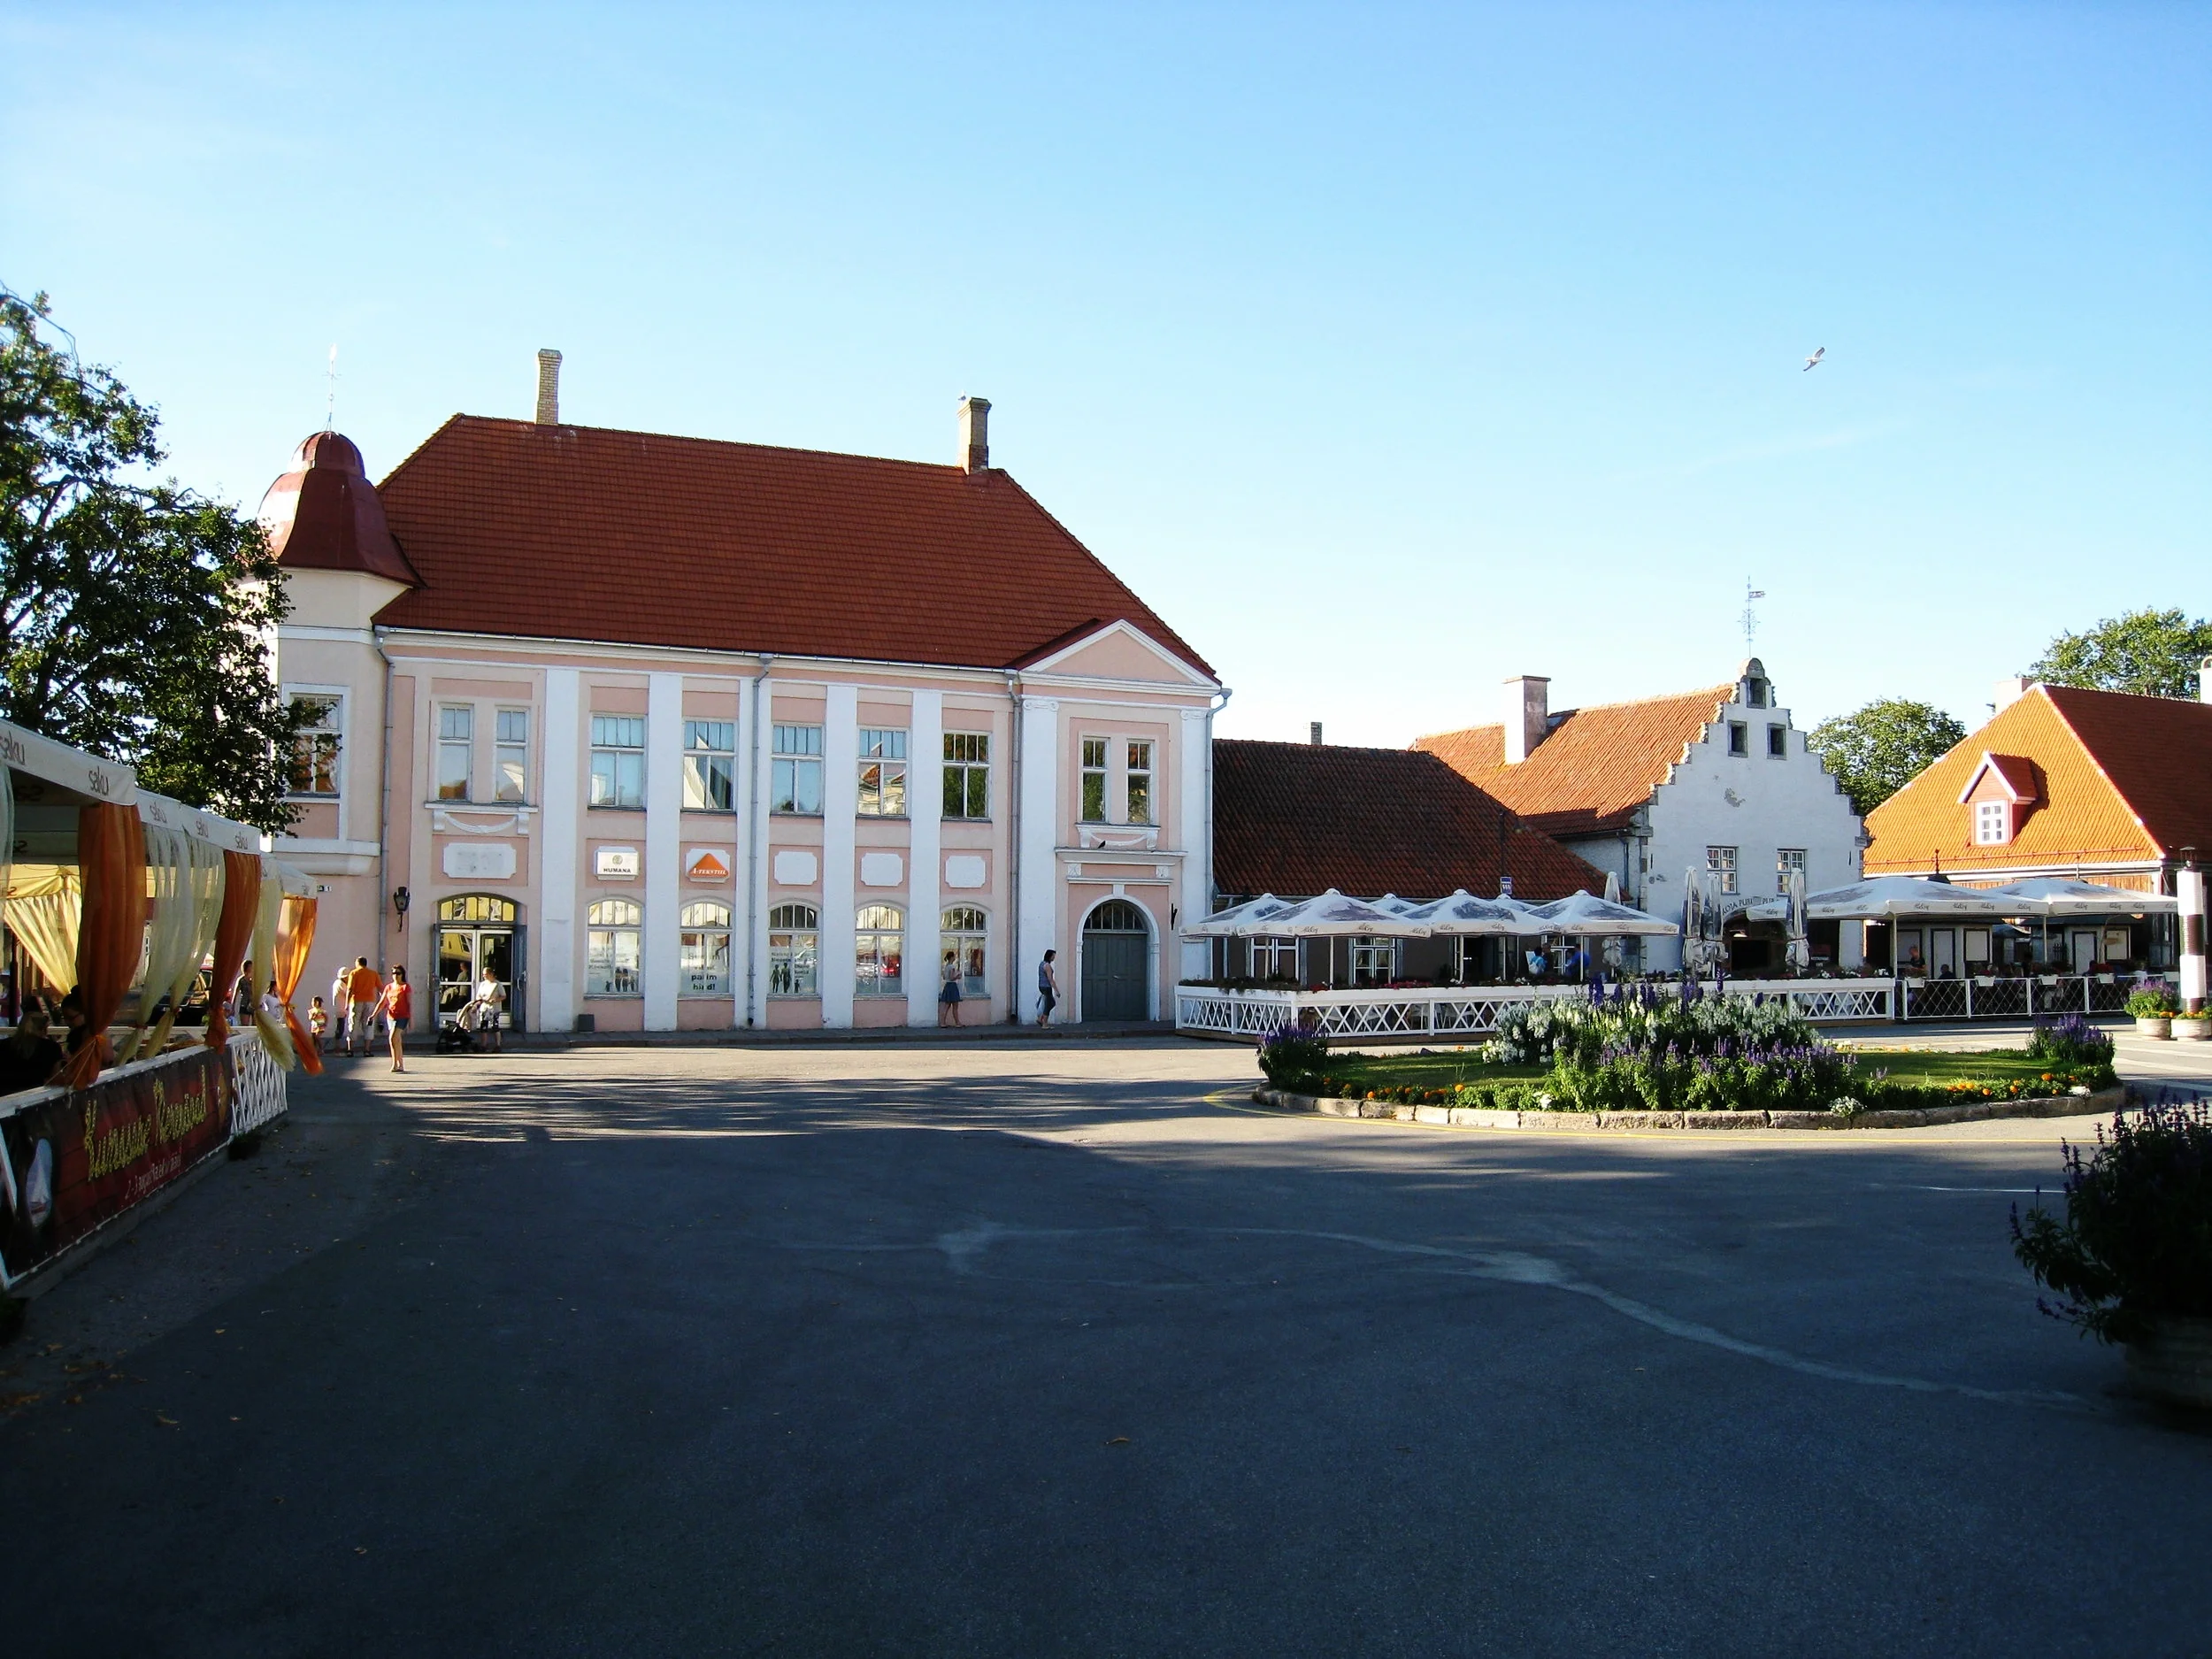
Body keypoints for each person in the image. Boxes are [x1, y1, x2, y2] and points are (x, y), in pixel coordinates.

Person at [0, 1010, 65, 1095]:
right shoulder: (52, 1048)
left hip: (5, 1096)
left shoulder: (3, 1045)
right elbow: (55, 1078)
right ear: (44, 1030)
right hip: (38, 1097)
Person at [344, 956, 383, 1057]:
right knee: (368, 1025)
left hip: (356, 1001)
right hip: (370, 1001)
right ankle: (367, 1050)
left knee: (353, 1024)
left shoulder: (354, 973)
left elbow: (350, 989)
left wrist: (347, 1003)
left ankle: (350, 1050)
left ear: (358, 963)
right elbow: (380, 988)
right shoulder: (373, 974)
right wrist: (383, 1001)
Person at [377, 966, 411, 1073]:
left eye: (398, 973)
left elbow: (409, 1004)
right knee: (397, 1040)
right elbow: (382, 1002)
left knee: (392, 1038)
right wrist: (373, 1015)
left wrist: (411, 1019)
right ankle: (400, 1065)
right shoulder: (389, 987)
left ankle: (394, 1064)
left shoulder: (405, 987)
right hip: (391, 1016)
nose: (396, 975)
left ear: (402, 974)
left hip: (402, 1016)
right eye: (394, 973)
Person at [471, 969, 505, 1051]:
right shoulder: (483, 984)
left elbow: (503, 996)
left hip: (494, 1008)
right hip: (484, 1008)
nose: (484, 976)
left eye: (485, 974)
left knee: (495, 1026)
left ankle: (498, 1046)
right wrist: (479, 1001)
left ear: (491, 974)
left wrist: (495, 1000)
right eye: (483, 974)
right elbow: (478, 996)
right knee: (483, 1027)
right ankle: (484, 1045)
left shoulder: (497, 984)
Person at [1036, 949, 1058, 1026]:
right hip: (1046, 987)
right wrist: (1056, 990)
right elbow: (1050, 979)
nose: (1054, 958)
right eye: (1053, 956)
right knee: (1049, 1004)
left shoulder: (1042, 964)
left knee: (1050, 1003)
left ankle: (1041, 1018)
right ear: (1049, 956)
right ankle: (1044, 1023)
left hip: (1041, 986)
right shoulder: (1047, 966)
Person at [938, 957, 963, 1028]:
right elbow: (952, 978)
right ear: (951, 957)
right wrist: (958, 974)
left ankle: (942, 1023)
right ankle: (957, 1023)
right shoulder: (952, 967)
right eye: (954, 956)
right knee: (955, 1006)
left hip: (947, 986)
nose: (955, 958)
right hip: (952, 986)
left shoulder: (946, 966)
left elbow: (944, 977)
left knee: (947, 1005)